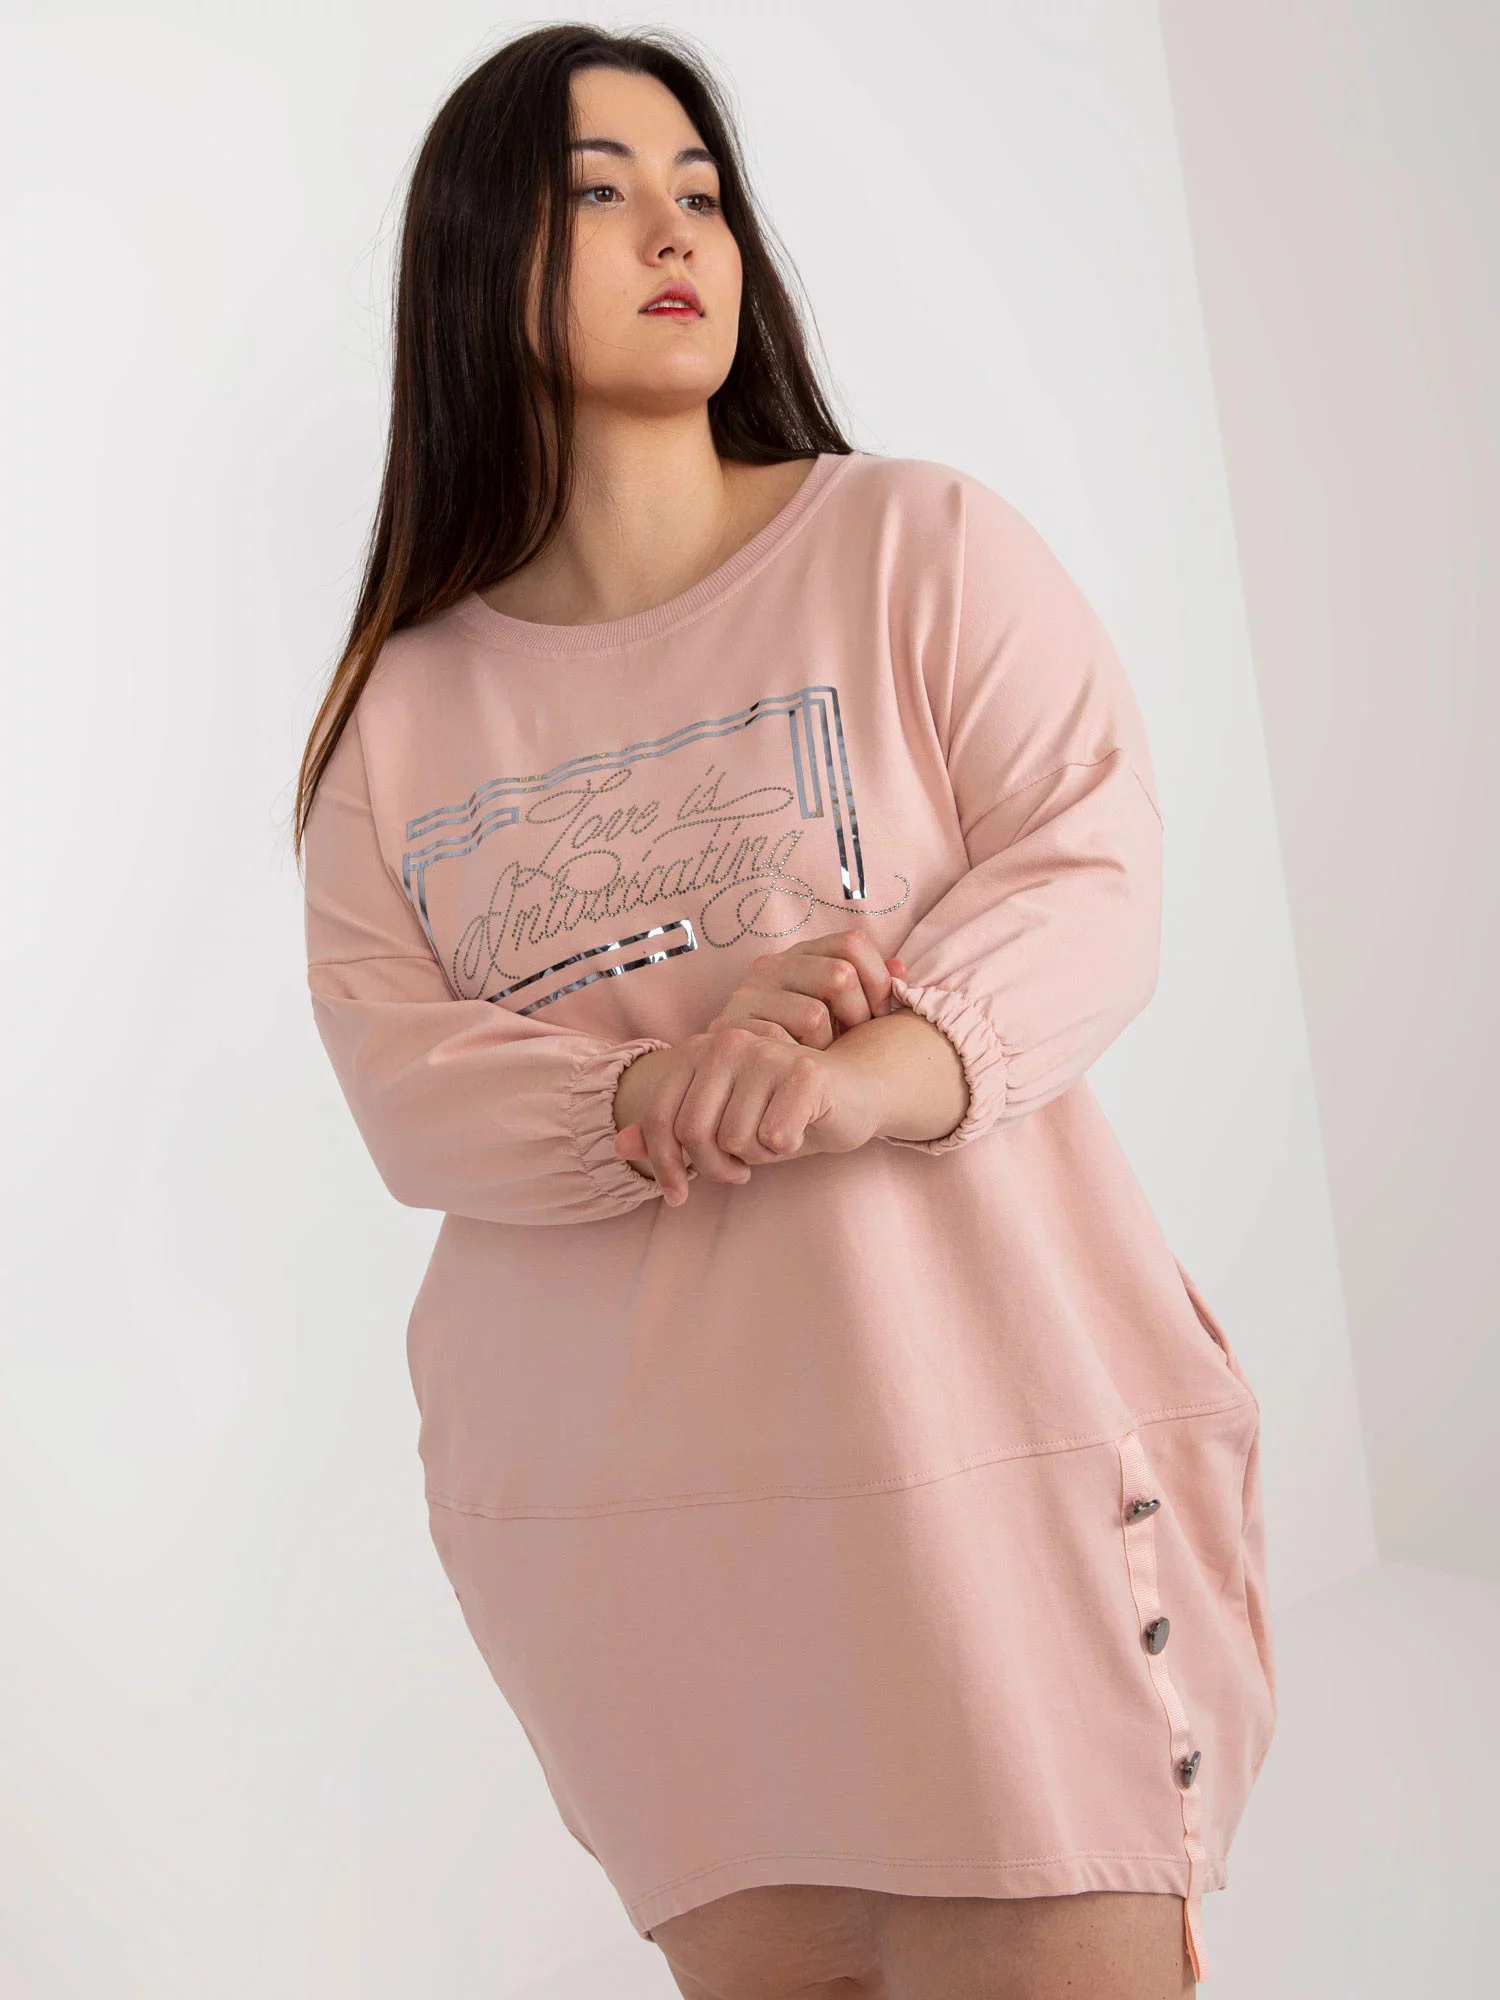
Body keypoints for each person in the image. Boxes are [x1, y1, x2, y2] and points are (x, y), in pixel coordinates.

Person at [293, 24, 1276, 1998]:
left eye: (704, 190)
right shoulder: (398, 711)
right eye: (599, 192)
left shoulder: (916, 546)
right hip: (640, 1557)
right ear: (477, 255)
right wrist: (659, 1083)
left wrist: (852, 1082)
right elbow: (406, 1091)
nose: (678, 232)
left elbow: (1094, 873)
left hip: (994, 1503)